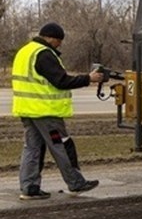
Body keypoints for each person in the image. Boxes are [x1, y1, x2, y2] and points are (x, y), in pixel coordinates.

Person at [11, 22, 104, 200]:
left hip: (27, 111)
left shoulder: (25, 51)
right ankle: (76, 183)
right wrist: (88, 78)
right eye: (59, 41)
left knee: (32, 148)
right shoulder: (44, 54)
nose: (59, 45)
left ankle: (29, 187)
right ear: (51, 38)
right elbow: (61, 81)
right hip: (46, 113)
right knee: (61, 145)